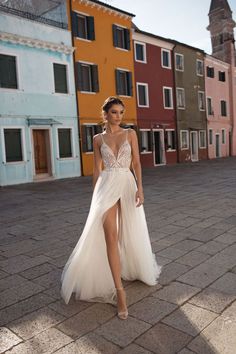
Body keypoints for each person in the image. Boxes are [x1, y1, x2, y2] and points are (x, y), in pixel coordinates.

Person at [60, 96, 162, 320]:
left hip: (127, 183)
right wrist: (95, 196)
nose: (118, 116)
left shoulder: (130, 134)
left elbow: (136, 162)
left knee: (130, 231)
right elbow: (97, 169)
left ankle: (131, 267)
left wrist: (140, 189)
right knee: (110, 236)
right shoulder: (97, 139)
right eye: (114, 112)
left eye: (121, 112)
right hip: (106, 187)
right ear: (105, 114)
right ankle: (120, 292)